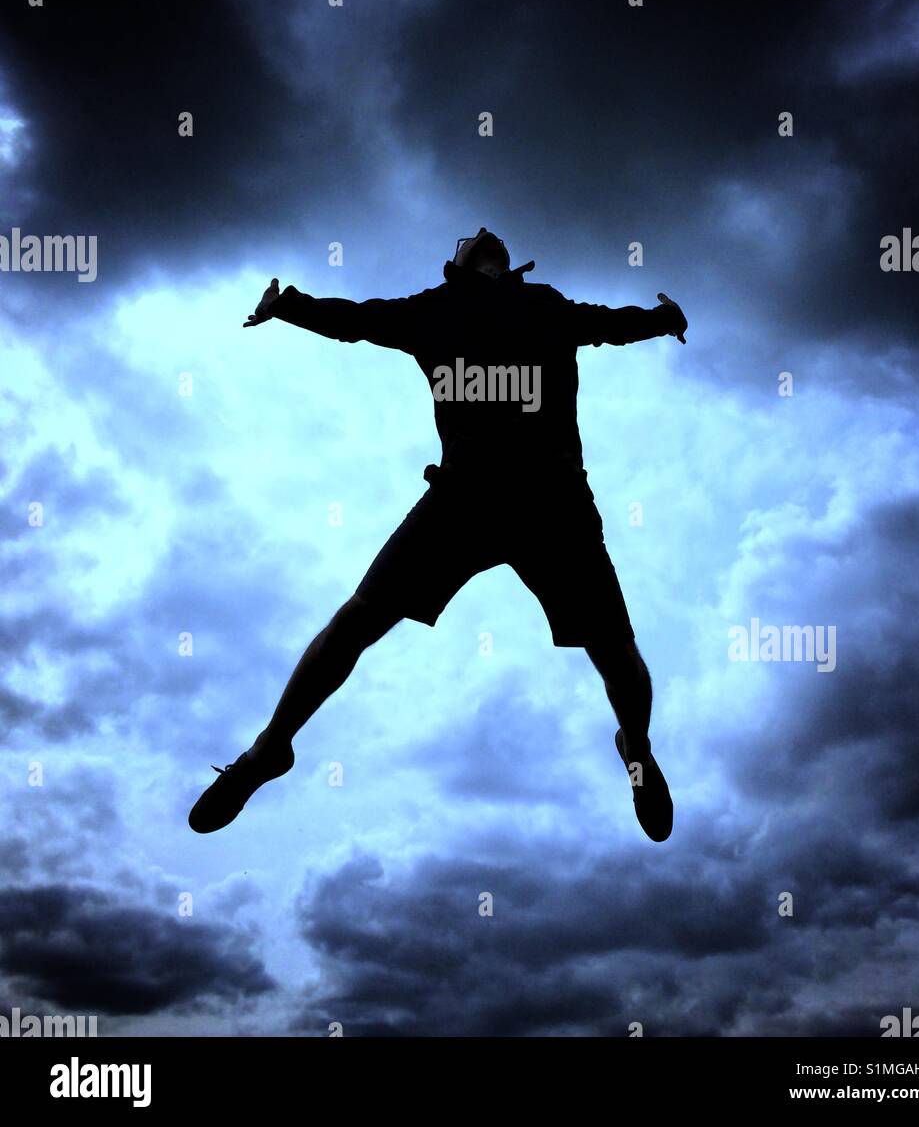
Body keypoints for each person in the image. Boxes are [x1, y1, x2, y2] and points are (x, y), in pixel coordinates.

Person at [189, 229, 688, 841]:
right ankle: (269, 750)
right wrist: (287, 305)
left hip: (552, 502)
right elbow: (356, 321)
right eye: (468, 241)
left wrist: (663, 318)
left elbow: (612, 324)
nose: (483, 236)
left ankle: (634, 746)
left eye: (492, 240)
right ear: (452, 264)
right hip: (463, 498)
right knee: (358, 619)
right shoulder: (431, 310)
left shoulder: (547, 307)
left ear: (512, 266)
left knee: (616, 652)